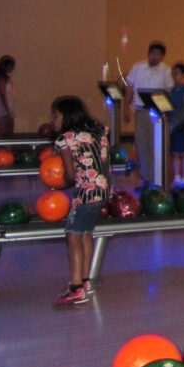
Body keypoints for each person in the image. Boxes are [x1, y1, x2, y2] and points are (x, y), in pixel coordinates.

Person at [50, 96, 111, 306]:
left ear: (66, 117)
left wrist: (56, 187)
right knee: (86, 232)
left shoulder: (65, 139)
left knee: (73, 235)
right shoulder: (99, 130)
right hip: (103, 190)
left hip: (85, 193)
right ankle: (85, 281)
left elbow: (68, 174)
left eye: (56, 115)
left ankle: (76, 287)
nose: (53, 120)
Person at [124, 41, 173, 188]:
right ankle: (146, 178)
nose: (155, 57)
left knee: (156, 146)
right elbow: (129, 88)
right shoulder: (138, 67)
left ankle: (159, 179)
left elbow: (169, 91)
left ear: (163, 57)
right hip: (141, 111)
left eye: (159, 55)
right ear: (148, 54)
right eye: (153, 54)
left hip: (158, 114)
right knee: (142, 145)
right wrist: (126, 108)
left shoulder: (166, 71)